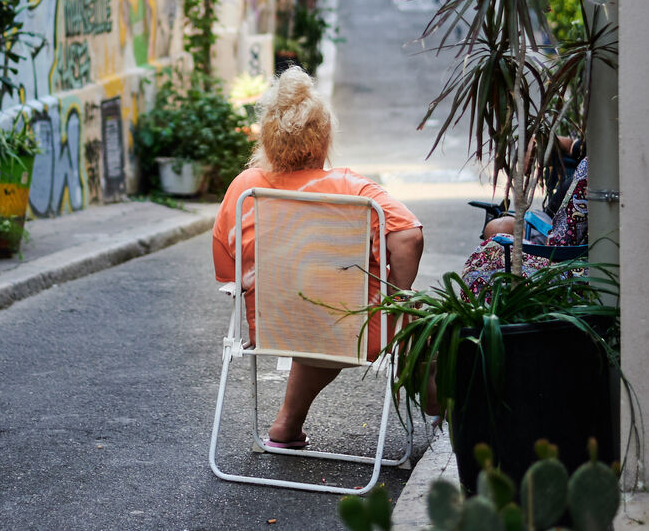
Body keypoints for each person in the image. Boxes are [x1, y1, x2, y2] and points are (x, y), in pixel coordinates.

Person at [211, 66, 425, 449]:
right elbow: (408, 237)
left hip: (274, 327)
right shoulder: (352, 189)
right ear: (324, 137)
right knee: (425, 320)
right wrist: (398, 294)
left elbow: (230, 275)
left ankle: (286, 427)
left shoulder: (244, 190)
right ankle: (448, 415)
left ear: (267, 138)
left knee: (311, 310)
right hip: (355, 329)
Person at [462, 155, 590, 300]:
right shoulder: (600, 162)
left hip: (571, 262)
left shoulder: (592, 168)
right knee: (498, 229)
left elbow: (562, 243)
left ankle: (494, 308)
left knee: (491, 249)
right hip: (555, 226)